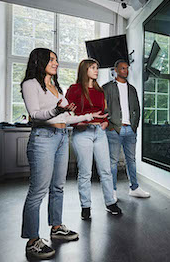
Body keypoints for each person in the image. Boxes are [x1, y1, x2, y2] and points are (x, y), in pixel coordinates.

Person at [21, 48, 106, 259]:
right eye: (52, 60)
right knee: (38, 190)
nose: (56, 63)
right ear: (39, 61)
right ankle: (32, 240)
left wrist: (88, 115)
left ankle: (56, 227)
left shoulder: (55, 87)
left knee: (58, 186)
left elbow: (67, 118)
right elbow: (35, 114)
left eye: (57, 60)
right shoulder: (30, 84)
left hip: (61, 138)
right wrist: (57, 111)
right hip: (43, 138)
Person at [66, 59, 121, 220]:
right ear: (85, 70)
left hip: (99, 132)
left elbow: (104, 111)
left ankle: (110, 203)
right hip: (82, 133)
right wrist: (80, 121)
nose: (96, 71)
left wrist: (105, 122)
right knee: (85, 172)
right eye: (93, 68)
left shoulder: (99, 90)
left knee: (105, 170)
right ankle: (86, 206)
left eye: (97, 68)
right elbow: (68, 114)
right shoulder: (74, 90)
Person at [103, 59, 150, 202]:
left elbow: (137, 109)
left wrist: (134, 126)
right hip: (114, 130)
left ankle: (134, 188)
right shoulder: (107, 88)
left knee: (131, 160)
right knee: (113, 162)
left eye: (127, 68)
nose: (126, 71)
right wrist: (110, 123)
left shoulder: (132, 89)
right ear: (116, 70)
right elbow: (103, 108)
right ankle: (112, 191)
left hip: (130, 130)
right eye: (122, 68)